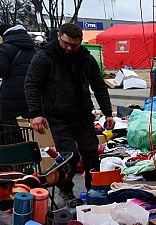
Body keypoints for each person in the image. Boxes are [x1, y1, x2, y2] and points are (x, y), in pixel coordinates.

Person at [24, 23, 114, 204]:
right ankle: (65, 190)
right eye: (66, 43)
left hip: (82, 115)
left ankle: (94, 190)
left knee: (91, 153)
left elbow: (99, 86)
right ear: (59, 37)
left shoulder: (86, 59)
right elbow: (31, 84)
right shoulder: (45, 56)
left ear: (80, 42)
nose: (69, 48)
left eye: (74, 45)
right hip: (57, 116)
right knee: (69, 156)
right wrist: (36, 114)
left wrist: (108, 112)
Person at [0, 25, 36, 128]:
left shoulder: (5, 49)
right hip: (31, 96)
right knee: (29, 130)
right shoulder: (34, 49)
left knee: (12, 130)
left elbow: (2, 71)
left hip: (10, 97)